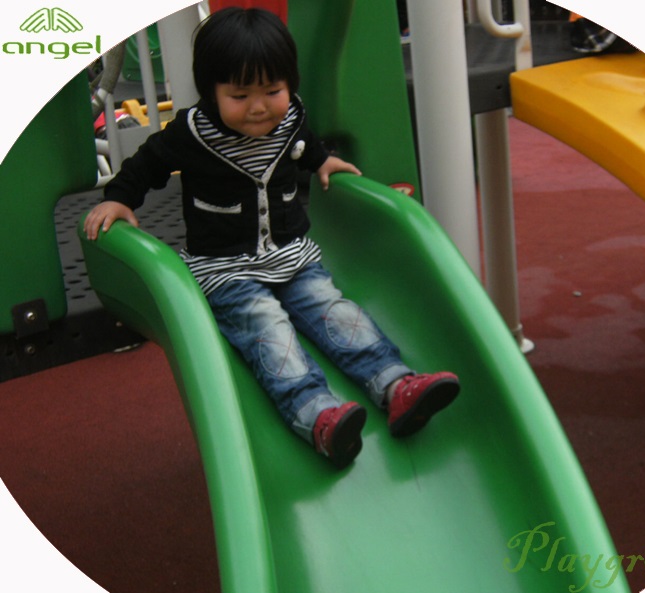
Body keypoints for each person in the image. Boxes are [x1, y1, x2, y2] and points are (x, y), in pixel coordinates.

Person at [84, 7, 459, 468]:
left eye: (272, 91)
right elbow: (147, 164)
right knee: (268, 328)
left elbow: (304, 142)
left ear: (288, 85)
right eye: (239, 95)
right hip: (225, 270)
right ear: (211, 91)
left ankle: (395, 384)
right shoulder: (192, 134)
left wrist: (322, 160)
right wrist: (120, 199)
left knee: (335, 310)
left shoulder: (290, 115)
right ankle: (316, 415)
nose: (259, 106)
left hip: (291, 256)